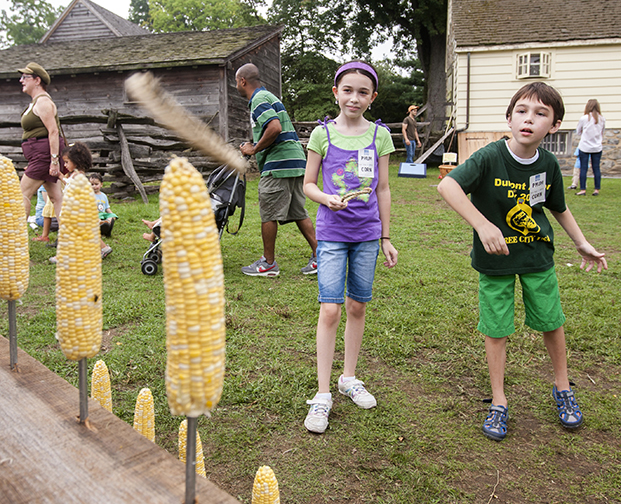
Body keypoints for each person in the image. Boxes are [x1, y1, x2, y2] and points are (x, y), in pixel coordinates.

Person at [437, 82, 607, 442]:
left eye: (541, 114)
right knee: (496, 329)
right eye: (522, 111)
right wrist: (482, 225)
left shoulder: (547, 164)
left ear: (555, 125)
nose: (529, 119)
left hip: (536, 258)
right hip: (494, 262)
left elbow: (557, 207)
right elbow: (448, 186)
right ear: (510, 118)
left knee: (551, 322)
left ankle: (563, 388)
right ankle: (499, 400)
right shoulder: (488, 157)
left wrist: (582, 243)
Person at [302, 61, 398, 434]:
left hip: (367, 235)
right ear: (336, 93)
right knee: (330, 309)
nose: (354, 98)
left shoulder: (380, 137)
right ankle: (322, 394)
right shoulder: (321, 135)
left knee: (357, 305)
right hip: (331, 233)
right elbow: (309, 184)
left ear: (372, 98)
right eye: (347, 90)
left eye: (362, 92)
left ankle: (349, 378)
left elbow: (384, 189)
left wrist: (386, 237)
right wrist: (327, 199)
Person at [235, 63, 318, 277]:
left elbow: (274, 127)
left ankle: (268, 264)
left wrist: (253, 149)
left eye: (236, 81)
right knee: (299, 212)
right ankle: (321, 257)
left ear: (243, 81)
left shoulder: (259, 100)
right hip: (295, 161)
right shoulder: (270, 97)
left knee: (269, 213)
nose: (236, 85)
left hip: (279, 163)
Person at [18, 62, 66, 225]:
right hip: (41, 156)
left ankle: (16, 243)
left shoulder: (43, 102)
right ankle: (74, 242)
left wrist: (53, 161)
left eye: (25, 77)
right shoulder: (36, 102)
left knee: (22, 194)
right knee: (57, 198)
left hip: (43, 156)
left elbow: (53, 131)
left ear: (37, 80)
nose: (21, 80)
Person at [49, 142, 112, 263]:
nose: (65, 165)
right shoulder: (76, 175)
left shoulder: (78, 176)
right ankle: (103, 248)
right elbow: (69, 184)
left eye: (67, 162)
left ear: (76, 161)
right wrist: (61, 177)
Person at [575, 99, 605, 196]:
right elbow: (602, 132)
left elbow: (578, 131)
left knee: (583, 168)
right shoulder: (601, 119)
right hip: (597, 147)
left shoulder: (584, 118)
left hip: (585, 146)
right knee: (596, 168)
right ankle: (597, 189)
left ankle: (583, 190)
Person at [89, 173, 118, 237]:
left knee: (112, 217)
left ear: (101, 184)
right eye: (92, 184)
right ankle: (102, 227)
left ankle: (107, 226)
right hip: (94, 215)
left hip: (103, 214)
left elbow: (107, 208)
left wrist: (111, 214)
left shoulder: (104, 196)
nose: (94, 186)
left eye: (96, 184)